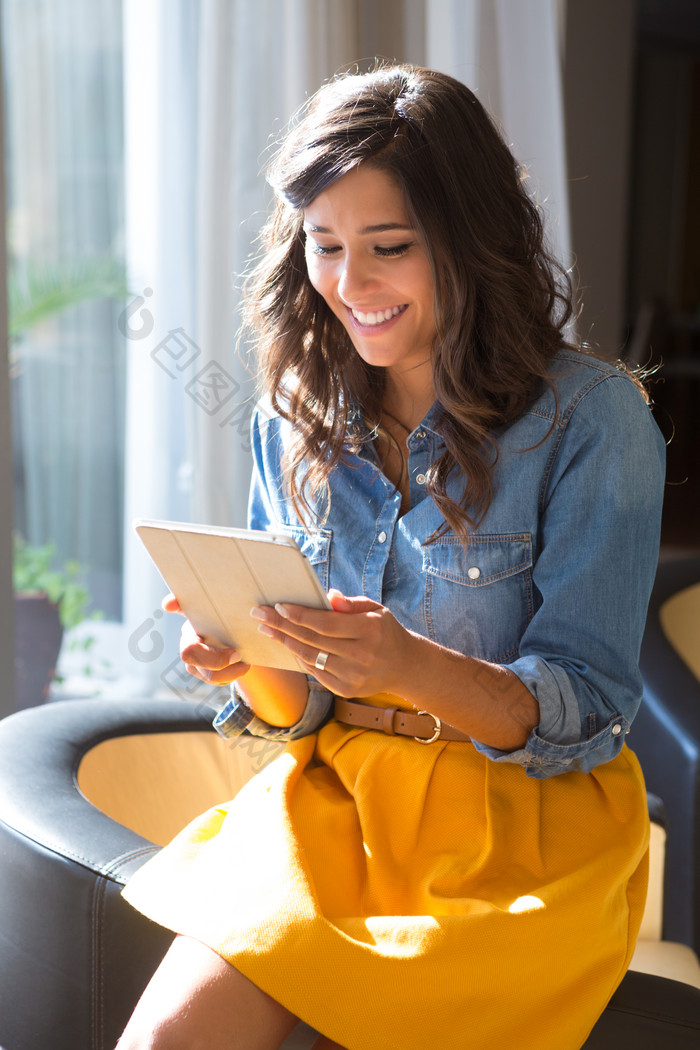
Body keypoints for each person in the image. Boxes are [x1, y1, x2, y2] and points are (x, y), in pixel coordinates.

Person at [118, 64, 665, 1050]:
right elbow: (301, 712)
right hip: (333, 805)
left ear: (470, 240)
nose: (350, 285)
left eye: (389, 248)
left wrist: (411, 666)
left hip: (520, 832)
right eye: (324, 246)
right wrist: (252, 661)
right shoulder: (290, 421)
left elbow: (588, 710)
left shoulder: (596, 419)